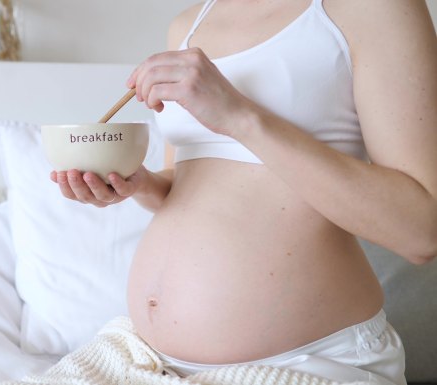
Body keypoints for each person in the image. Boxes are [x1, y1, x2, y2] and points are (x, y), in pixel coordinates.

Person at [49, 0, 437, 384]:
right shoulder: (188, 24)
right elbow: (190, 183)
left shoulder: (375, 8)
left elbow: (422, 231)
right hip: (145, 358)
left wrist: (238, 116)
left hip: (304, 365)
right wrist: (141, 185)